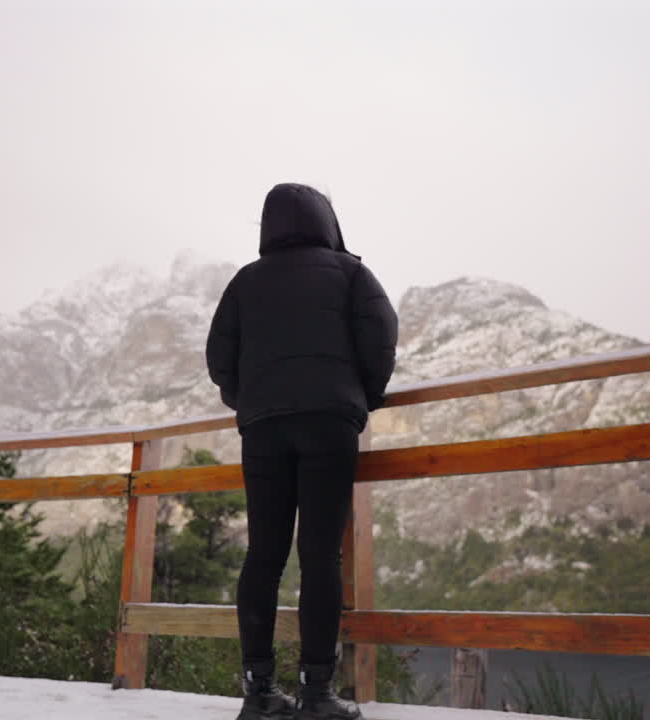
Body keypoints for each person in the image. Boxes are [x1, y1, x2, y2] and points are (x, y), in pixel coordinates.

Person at [206, 183, 398, 720]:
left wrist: (249, 401)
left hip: (263, 429)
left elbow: (219, 357)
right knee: (320, 555)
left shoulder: (245, 282)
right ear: (325, 220)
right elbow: (381, 336)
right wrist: (363, 398)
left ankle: (259, 693)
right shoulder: (352, 274)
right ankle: (317, 693)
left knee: (262, 557)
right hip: (329, 424)